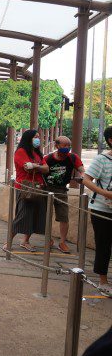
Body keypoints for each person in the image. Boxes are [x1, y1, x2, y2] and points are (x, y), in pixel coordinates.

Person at [40, 136, 85, 254]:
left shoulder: (72, 157)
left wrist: (83, 175)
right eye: (64, 146)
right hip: (47, 189)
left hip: (62, 190)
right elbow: (41, 170)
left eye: (68, 146)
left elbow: (81, 169)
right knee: (46, 215)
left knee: (64, 216)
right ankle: (48, 239)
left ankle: (62, 242)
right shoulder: (48, 158)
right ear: (56, 146)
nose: (67, 148)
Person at [82, 126, 112, 297]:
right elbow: (86, 179)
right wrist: (104, 193)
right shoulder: (102, 160)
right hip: (102, 209)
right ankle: (103, 281)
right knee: (104, 245)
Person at [9, 129, 47, 252]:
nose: (38, 139)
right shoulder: (21, 151)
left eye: (38, 137)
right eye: (35, 137)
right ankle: (8, 241)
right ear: (28, 138)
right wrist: (38, 167)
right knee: (22, 215)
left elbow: (46, 168)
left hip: (38, 188)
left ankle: (26, 241)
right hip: (24, 188)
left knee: (35, 215)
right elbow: (27, 168)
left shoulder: (37, 153)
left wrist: (35, 166)